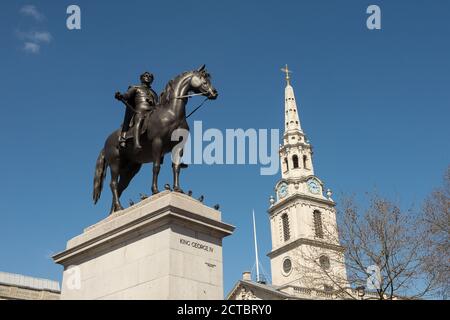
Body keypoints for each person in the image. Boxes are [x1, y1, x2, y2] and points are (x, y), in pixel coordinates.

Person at [115, 72, 158, 149]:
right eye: (145, 76)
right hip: (140, 111)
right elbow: (127, 95)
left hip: (152, 112)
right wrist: (121, 96)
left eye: (150, 76)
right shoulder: (135, 87)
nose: (148, 77)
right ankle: (136, 143)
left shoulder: (154, 93)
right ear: (141, 78)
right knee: (140, 118)